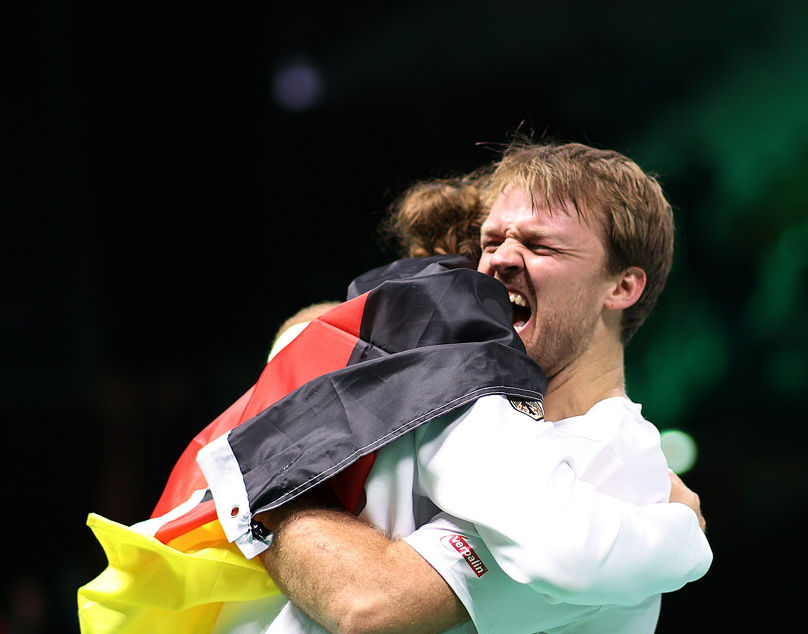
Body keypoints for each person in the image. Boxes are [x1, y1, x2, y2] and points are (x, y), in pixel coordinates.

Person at [198, 142, 711, 633]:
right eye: (492, 242)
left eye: (540, 244)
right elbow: (308, 327)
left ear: (622, 286)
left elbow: (367, 604)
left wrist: (263, 479)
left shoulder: (613, 468)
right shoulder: (457, 400)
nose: (501, 261)